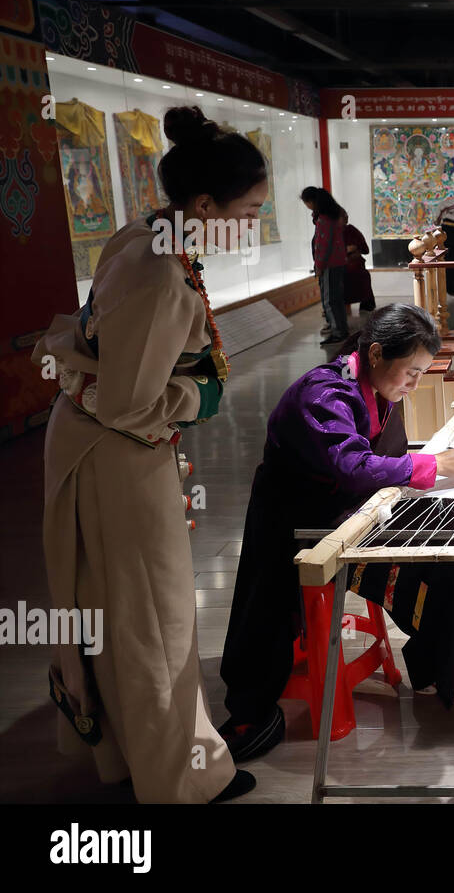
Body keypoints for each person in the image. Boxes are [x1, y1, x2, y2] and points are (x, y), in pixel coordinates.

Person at [31, 105, 265, 803]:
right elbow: (133, 402)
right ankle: (181, 776)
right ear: (203, 205)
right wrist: (199, 398)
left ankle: (128, 757)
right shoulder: (163, 275)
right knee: (154, 617)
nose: (253, 223)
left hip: (92, 443)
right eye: (248, 210)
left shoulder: (140, 235)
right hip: (118, 454)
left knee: (111, 608)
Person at [219, 304, 454, 760]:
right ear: (377, 354)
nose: (415, 384)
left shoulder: (379, 391)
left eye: (423, 373)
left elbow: (382, 467)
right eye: (411, 372)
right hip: (304, 524)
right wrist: (429, 466)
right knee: (436, 539)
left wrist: (427, 472)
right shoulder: (323, 393)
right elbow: (351, 466)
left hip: (358, 509)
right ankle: (453, 654)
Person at [303, 186, 349, 347]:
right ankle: (340, 329)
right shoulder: (334, 216)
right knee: (336, 299)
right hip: (336, 262)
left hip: (330, 264)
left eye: (307, 203)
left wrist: (320, 265)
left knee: (330, 300)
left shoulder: (324, 219)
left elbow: (323, 245)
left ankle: (338, 332)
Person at [343, 221, 376, 314]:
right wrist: (346, 250)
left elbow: (365, 249)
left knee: (364, 277)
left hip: (357, 267)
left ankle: (366, 306)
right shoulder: (332, 232)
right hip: (341, 268)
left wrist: (355, 248)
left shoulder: (351, 230)